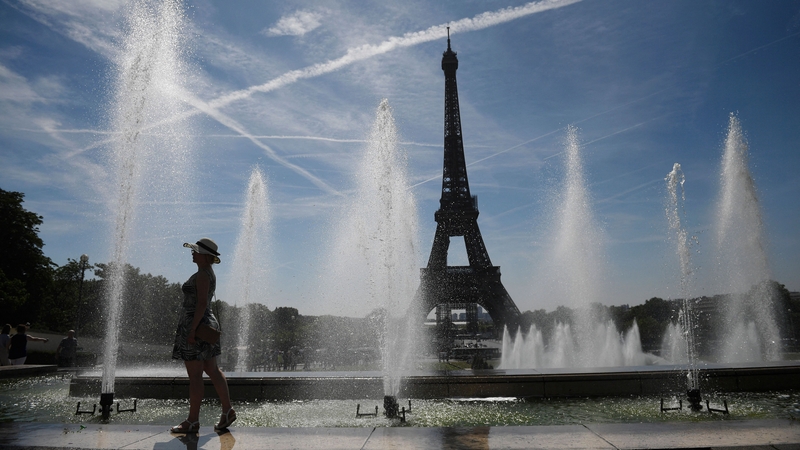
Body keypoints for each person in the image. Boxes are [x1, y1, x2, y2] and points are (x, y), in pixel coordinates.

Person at [170, 238, 235, 434]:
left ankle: (192, 421)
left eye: (196, 251)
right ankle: (227, 410)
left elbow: (200, 304)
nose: (192, 253)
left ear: (205, 256)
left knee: (196, 375)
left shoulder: (202, 275)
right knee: (212, 369)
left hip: (197, 325)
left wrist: (191, 330)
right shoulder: (207, 273)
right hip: (206, 324)